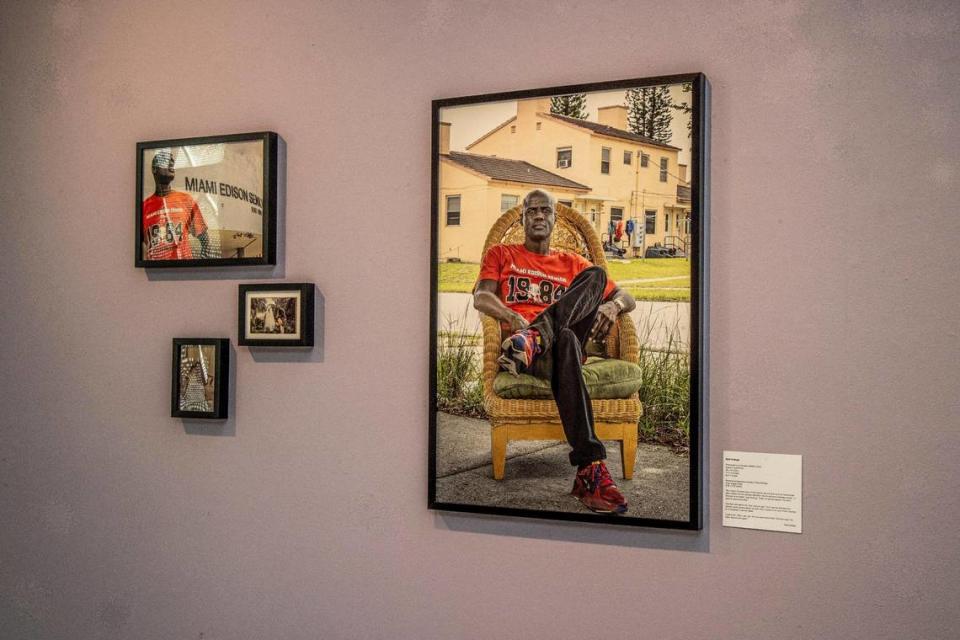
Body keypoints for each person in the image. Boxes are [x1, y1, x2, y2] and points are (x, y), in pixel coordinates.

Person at [473, 189, 637, 514]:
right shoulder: (501, 253)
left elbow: (626, 296)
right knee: (565, 339)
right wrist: (510, 316)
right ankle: (590, 470)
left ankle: (537, 337)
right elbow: (481, 296)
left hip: (540, 345)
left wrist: (613, 307)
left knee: (597, 276)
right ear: (521, 219)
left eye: (544, 211)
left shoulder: (573, 263)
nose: (538, 216)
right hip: (522, 355)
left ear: (553, 219)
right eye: (531, 211)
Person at [141, 150, 211, 260]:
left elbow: (205, 241)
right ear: (154, 169)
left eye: (172, 163)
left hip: (183, 273)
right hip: (156, 274)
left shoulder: (185, 200)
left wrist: (196, 270)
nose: (171, 165)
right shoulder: (143, 207)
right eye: (166, 162)